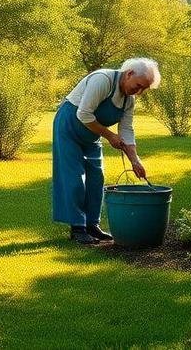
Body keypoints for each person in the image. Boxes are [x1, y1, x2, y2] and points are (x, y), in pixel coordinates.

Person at [52, 58, 161, 244]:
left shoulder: (129, 100)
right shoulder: (103, 80)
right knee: (74, 177)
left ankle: (92, 225)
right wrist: (110, 136)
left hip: (92, 134)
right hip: (69, 127)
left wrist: (135, 160)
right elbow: (83, 113)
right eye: (138, 86)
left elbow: (126, 130)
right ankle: (78, 228)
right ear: (129, 74)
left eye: (144, 89)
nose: (139, 92)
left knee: (97, 177)